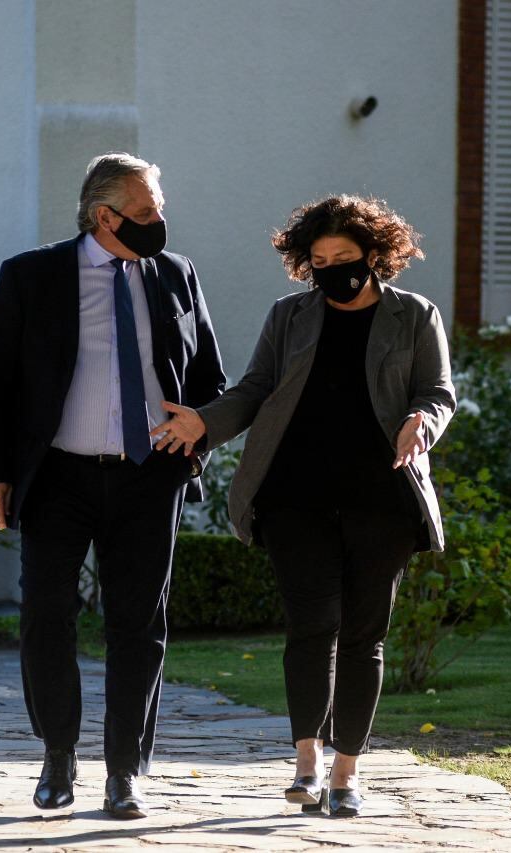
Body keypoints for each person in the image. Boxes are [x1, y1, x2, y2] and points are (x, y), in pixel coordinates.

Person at [151, 195, 455, 817]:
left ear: (375, 255)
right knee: (311, 626)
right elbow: (256, 389)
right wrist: (202, 425)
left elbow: (439, 392)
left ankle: (348, 771)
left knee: (365, 634)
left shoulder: (415, 316)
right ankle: (307, 763)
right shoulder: (290, 316)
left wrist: (422, 421)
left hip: (382, 499)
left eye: (343, 257)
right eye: (317, 259)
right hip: (295, 496)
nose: (330, 269)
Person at [0, 152, 226, 819]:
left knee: (139, 625)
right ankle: (58, 754)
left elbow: (210, 383)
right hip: (58, 475)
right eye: (145, 211)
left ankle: (125, 772)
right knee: (45, 615)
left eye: (158, 207)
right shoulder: (31, 276)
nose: (159, 220)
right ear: (104, 215)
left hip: (149, 476)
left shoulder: (177, 275)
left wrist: (199, 431)